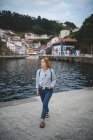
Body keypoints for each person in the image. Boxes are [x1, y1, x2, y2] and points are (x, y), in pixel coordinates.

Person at [36, 57, 56, 128]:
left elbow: (54, 79)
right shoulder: (38, 71)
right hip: (41, 90)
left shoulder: (51, 71)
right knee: (44, 103)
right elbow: (37, 81)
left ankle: (42, 120)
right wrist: (37, 89)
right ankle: (47, 111)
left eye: (43, 62)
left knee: (44, 103)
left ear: (46, 63)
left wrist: (52, 85)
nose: (41, 63)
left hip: (49, 90)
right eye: (41, 62)